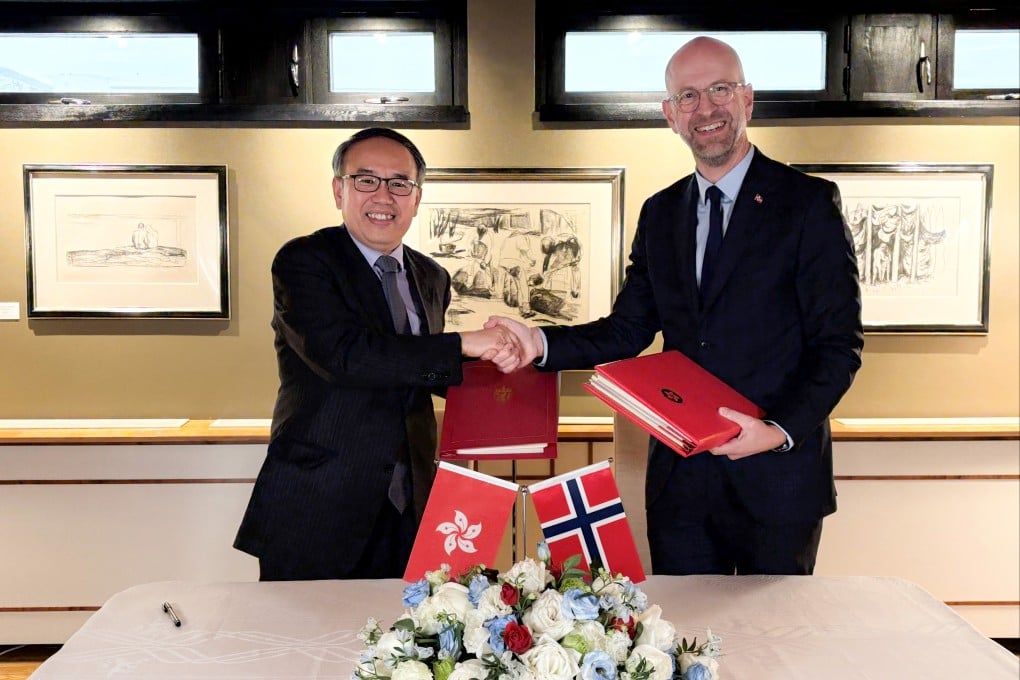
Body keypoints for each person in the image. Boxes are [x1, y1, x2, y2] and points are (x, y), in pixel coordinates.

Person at [488, 37, 863, 576]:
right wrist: (539, 342)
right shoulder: (660, 213)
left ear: (747, 99)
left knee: (771, 652)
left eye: (719, 89)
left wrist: (778, 430)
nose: (705, 108)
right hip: (682, 485)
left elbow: (838, 346)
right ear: (670, 115)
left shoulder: (808, 203)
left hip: (777, 480)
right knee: (683, 646)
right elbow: (627, 329)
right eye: (688, 96)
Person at [234, 127, 522, 581]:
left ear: (416, 196)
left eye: (399, 183)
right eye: (365, 180)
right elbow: (346, 357)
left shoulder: (431, 276)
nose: (383, 196)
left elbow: (418, 367)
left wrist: (515, 362)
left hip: (411, 500)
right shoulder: (305, 261)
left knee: (405, 642)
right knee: (306, 646)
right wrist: (463, 345)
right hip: (320, 500)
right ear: (339, 190)